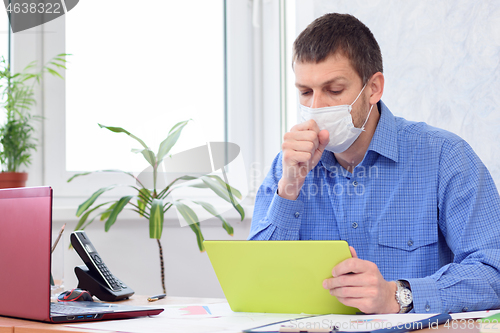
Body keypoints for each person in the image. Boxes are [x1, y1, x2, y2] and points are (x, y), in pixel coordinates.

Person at [248, 13, 500, 314]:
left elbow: (493, 271)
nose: (315, 108)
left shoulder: (445, 157)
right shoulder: (287, 166)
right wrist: (289, 187)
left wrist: (398, 295)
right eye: (305, 92)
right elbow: (257, 281)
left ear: (373, 88)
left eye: (334, 90)